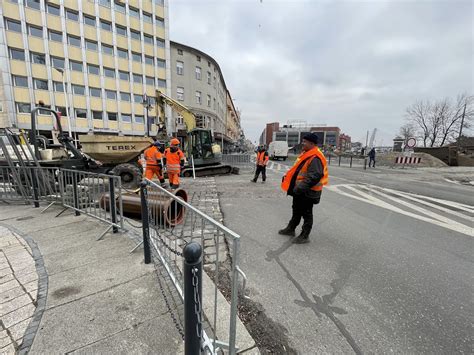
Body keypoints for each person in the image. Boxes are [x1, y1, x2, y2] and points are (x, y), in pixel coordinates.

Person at [278, 133, 328, 244]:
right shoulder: (307, 154)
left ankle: (305, 236)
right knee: (296, 210)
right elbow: (299, 171)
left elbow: (314, 176)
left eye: (305, 142)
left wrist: (299, 188)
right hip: (300, 191)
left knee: (306, 213)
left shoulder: (315, 157)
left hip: (307, 192)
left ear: (312, 143)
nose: (303, 143)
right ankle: (291, 228)